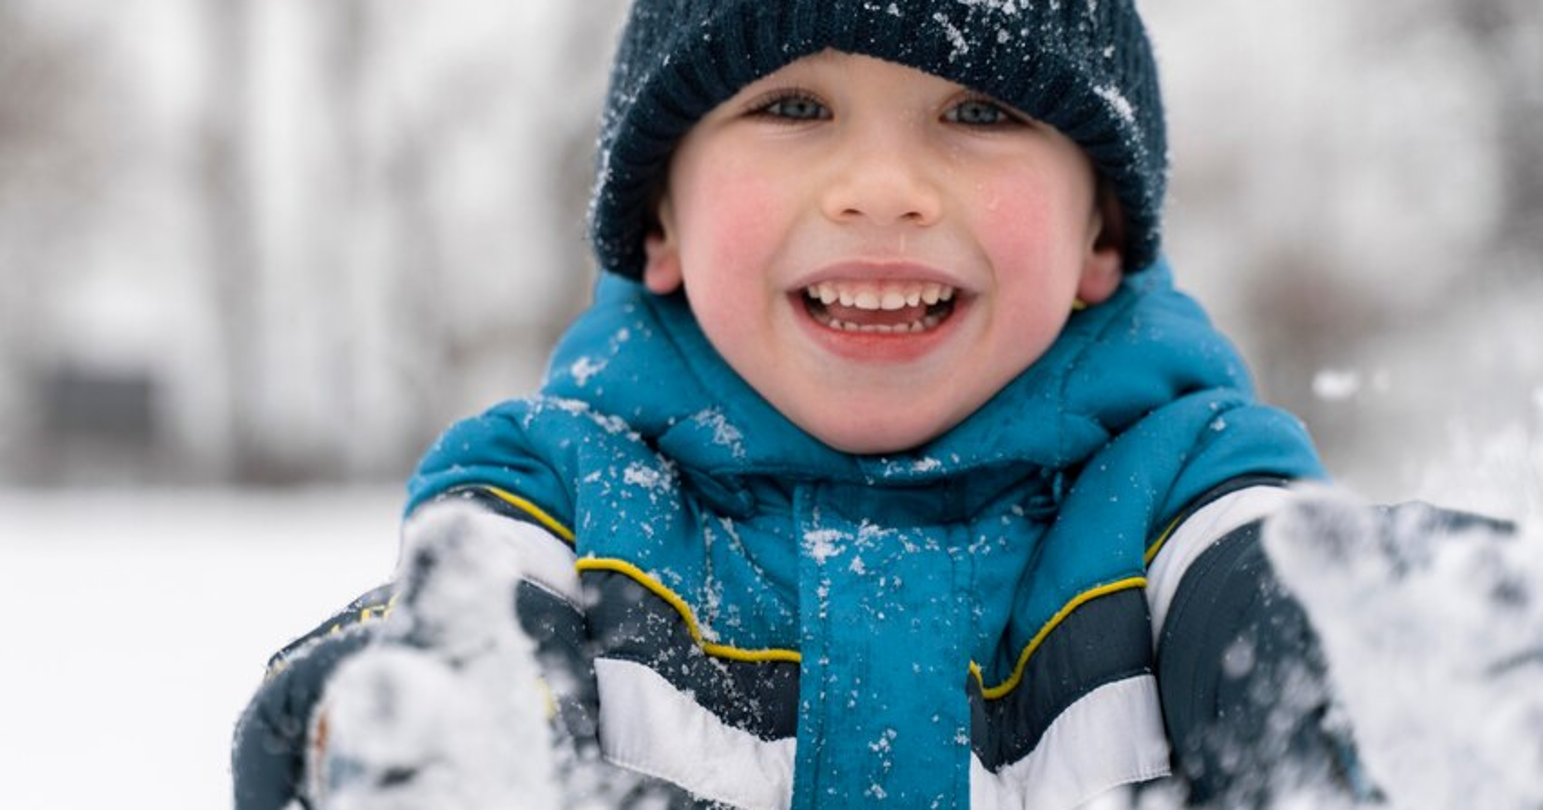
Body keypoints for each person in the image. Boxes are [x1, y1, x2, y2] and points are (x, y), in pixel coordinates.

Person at [232, 1, 1513, 808]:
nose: (882, 186)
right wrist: (400, 733)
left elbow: (1283, 610)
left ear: (1099, 237)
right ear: (659, 222)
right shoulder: (559, 493)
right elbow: (448, 650)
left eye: (976, 110)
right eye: (794, 106)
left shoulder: (1184, 484)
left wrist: (1415, 667)